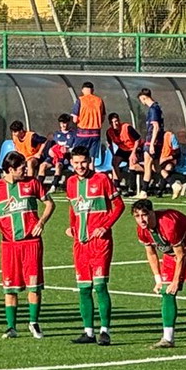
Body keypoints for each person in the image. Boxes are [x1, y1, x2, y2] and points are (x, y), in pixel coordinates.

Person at [0, 150, 54, 339]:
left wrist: (41, 222)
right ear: (10, 169)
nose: (26, 170)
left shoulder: (32, 183)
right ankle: (11, 327)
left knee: (34, 285)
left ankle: (34, 323)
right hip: (9, 244)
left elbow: (49, 204)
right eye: (22, 168)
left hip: (31, 242)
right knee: (10, 287)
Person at [64, 146, 124, 346]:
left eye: (83, 162)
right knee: (83, 289)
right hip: (80, 243)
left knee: (99, 286)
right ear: (71, 164)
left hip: (100, 243)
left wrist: (105, 226)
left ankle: (105, 331)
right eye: (76, 163)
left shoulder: (102, 180)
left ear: (89, 161)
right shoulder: (71, 182)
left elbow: (120, 206)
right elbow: (73, 209)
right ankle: (88, 332)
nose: (80, 166)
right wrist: (72, 227)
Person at [132, 198, 186, 351]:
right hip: (170, 255)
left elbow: (181, 255)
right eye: (137, 216)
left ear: (152, 213)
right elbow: (151, 254)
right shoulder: (141, 230)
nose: (141, 219)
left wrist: (176, 281)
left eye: (144, 215)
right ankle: (168, 338)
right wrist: (158, 279)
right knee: (166, 293)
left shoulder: (169, 224)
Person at [38, 114, 76, 191]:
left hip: (64, 158)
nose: (63, 125)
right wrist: (50, 151)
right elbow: (50, 146)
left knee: (58, 165)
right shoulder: (56, 134)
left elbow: (76, 147)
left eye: (65, 123)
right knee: (42, 165)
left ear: (69, 122)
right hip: (53, 157)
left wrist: (68, 150)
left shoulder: (73, 134)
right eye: (62, 123)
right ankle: (39, 186)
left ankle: (54, 186)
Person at [105, 112, 142, 193]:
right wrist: (113, 154)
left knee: (132, 163)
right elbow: (109, 143)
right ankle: (117, 186)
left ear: (119, 121)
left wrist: (133, 153)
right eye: (112, 122)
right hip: (123, 149)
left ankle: (132, 188)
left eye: (116, 121)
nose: (115, 124)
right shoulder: (109, 132)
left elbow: (138, 139)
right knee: (114, 162)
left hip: (134, 148)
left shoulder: (127, 127)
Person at [137, 88, 163, 195]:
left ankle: (143, 191)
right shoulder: (157, 107)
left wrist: (152, 143)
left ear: (144, 97)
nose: (142, 102)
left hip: (151, 141)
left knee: (147, 165)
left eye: (141, 100)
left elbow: (156, 127)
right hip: (154, 140)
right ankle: (174, 183)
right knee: (156, 166)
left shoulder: (153, 109)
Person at [71, 81, 105, 160]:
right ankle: (92, 171)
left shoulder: (80, 100)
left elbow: (75, 120)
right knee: (91, 158)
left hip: (82, 133)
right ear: (92, 90)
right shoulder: (99, 100)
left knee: (79, 156)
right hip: (96, 134)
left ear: (82, 90)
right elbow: (102, 118)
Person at [150, 129, 181, 198]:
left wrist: (166, 158)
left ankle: (160, 190)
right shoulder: (150, 138)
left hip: (169, 159)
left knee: (168, 168)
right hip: (156, 161)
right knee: (153, 167)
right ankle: (173, 184)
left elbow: (177, 153)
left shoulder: (170, 136)